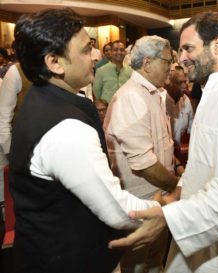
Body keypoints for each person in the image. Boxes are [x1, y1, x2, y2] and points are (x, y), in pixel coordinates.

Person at [109, 11, 218, 273]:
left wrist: (170, 218)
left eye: (188, 48)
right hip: (196, 223)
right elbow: (201, 162)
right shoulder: (212, 91)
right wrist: (177, 193)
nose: (181, 58)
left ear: (217, 46)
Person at [10, 8, 163, 273]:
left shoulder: (42, 97)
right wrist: (165, 211)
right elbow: (117, 209)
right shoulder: (65, 129)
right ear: (54, 62)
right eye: (85, 49)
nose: (95, 55)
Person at [104, 35, 180, 273]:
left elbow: (160, 143)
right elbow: (144, 165)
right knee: (135, 265)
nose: (171, 66)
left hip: (157, 197)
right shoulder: (131, 97)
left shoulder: (154, 93)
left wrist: (174, 163)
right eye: (167, 61)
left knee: (154, 262)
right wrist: (179, 186)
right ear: (147, 64)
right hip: (140, 202)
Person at [164, 65, 194, 146]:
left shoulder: (186, 100)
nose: (184, 86)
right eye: (179, 83)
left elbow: (191, 127)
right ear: (169, 82)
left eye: (185, 81)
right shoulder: (160, 101)